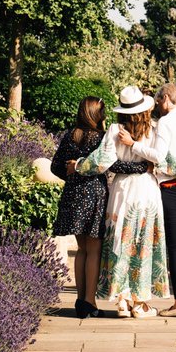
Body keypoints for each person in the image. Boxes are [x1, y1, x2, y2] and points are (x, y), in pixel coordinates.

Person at [74, 85, 176, 319]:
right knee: (143, 243)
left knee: (120, 241)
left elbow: (102, 161)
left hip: (122, 190)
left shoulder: (115, 130)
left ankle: (123, 300)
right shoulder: (154, 129)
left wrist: (78, 165)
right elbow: (167, 160)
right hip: (147, 189)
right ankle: (140, 303)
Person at [120, 82, 176, 317]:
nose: (156, 105)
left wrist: (133, 145)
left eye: (157, 100)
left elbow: (158, 155)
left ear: (166, 98)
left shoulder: (165, 122)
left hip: (172, 190)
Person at [50, 97, 108, 318]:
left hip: (73, 196)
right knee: (94, 250)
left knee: (82, 249)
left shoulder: (70, 136)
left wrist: (71, 175)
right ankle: (90, 302)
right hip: (94, 195)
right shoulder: (101, 139)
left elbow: (55, 166)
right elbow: (109, 163)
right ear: (97, 114)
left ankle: (80, 300)